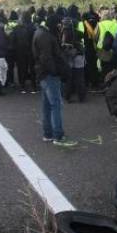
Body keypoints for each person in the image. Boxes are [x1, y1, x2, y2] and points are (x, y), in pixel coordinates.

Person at [33, 15, 77, 147]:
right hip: (49, 75)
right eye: (59, 24)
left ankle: (48, 134)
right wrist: (56, 71)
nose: (60, 26)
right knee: (56, 104)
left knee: (47, 105)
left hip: (43, 73)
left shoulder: (40, 33)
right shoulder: (46, 36)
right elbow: (47, 58)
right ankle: (58, 136)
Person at [11, 10, 37, 93]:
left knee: (21, 69)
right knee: (32, 68)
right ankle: (34, 86)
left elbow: (13, 40)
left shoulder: (17, 28)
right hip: (31, 51)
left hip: (20, 51)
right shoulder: (33, 27)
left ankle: (22, 86)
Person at [95, 9, 117, 81]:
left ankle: (104, 82)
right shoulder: (116, 24)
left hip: (102, 50)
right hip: (113, 49)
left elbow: (95, 37)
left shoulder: (99, 25)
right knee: (112, 67)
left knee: (103, 67)